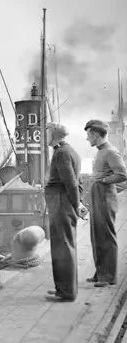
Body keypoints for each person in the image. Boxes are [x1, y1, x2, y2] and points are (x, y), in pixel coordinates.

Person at [84, 120, 127, 288]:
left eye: (88, 135)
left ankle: (108, 276)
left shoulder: (110, 152)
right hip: (98, 195)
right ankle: (100, 273)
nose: (87, 139)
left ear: (95, 134)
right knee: (96, 235)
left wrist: (103, 180)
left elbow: (123, 174)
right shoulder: (101, 151)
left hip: (105, 196)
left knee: (106, 236)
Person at [44, 123, 84, 302]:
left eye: (46, 133)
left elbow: (71, 183)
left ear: (54, 135)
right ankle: (64, 288)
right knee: (66, 246)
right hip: (62, 203)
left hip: (61, 204)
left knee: (63, 247)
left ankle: (66, 292)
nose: (44, 136)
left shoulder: (61, 153)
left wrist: (77, 206)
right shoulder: (69, 150)